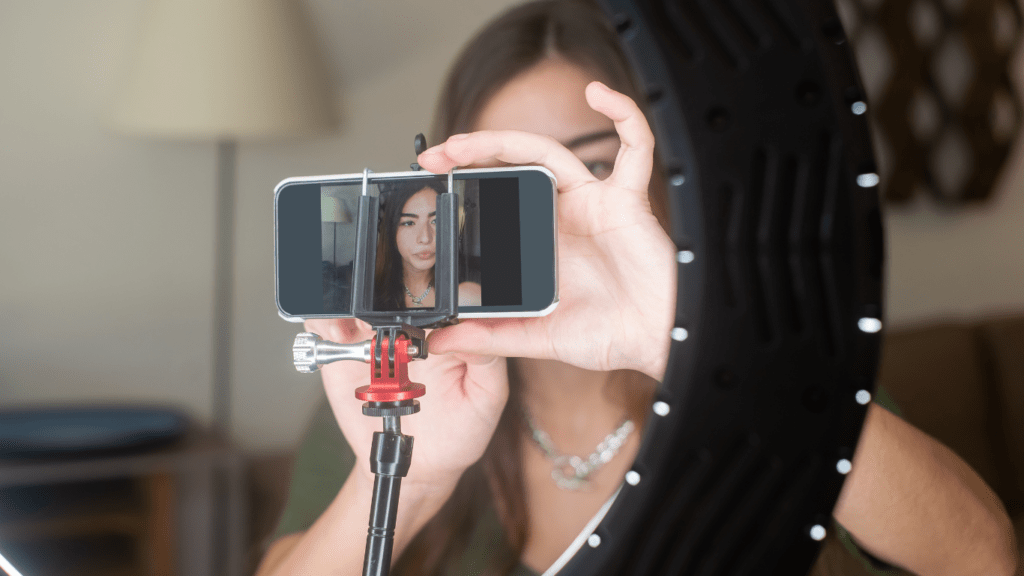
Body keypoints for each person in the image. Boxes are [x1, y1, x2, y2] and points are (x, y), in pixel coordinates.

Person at [258, 2, 1018, 575]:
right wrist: (408, 483)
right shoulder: (399, 391)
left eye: (587, 165)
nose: (557, 212)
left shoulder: (769, 355)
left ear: (652, 173)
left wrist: (696, 346)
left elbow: (984, 558)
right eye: (509, 185)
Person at [374, 179, 482, 310]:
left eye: (436, 221)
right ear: (391, 231)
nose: (425, 238)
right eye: (409, 223)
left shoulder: (472, 284)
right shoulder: (366, 293)